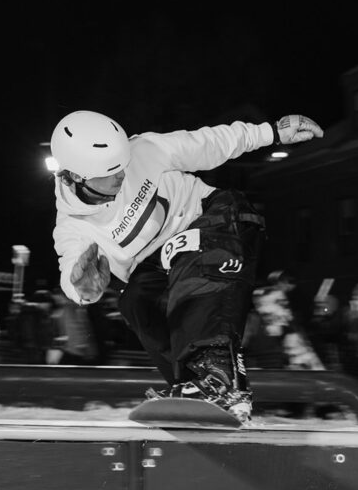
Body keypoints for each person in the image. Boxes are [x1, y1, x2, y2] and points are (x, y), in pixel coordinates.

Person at [50, 110, 324, 421]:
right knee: (136, 301)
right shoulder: (73, 227)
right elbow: (70, 272)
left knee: (191, 257)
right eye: (110, 172)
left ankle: (218, 378)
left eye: (123, 165)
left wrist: (272, 132)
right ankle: (193, 385)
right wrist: (83, 288)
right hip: (163, 265)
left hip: (215, 219)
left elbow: (208, 143)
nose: (122, 175)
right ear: (76, 176)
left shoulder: (145, 150)